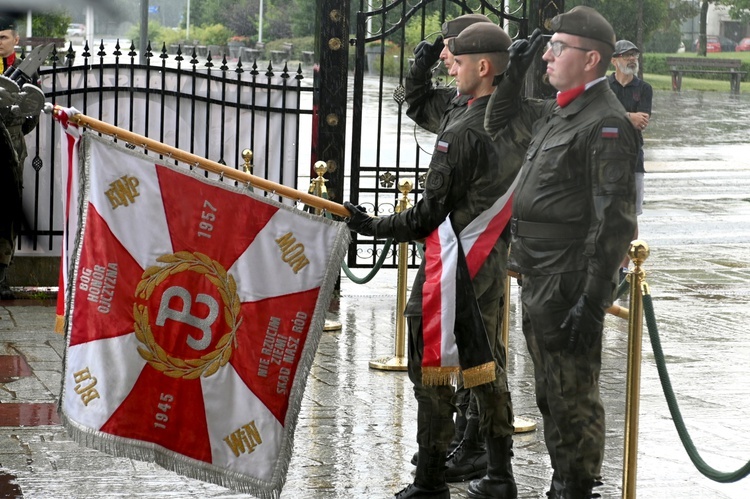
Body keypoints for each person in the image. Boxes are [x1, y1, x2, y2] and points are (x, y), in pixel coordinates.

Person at [346, 22, 526, 499]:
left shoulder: (465, 129)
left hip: (453, 264)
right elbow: (428, 101)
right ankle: (500, 475)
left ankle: (429, 479)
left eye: (459, 60)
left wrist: (371, 226)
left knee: (433, 370)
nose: (452, 64)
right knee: (484, 366)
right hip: (486, 260)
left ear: (483, 68)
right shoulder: (509, 116)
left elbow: (428, 215)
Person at [484, 6, 638, 498]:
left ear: (591, 58)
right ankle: (563, 481)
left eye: (558, 48)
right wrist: (515, 73)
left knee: (573, 396)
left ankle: (575, 488)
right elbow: (498, 121)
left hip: (569, 278)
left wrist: (591, 303)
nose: (548, 54)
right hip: (540, 274)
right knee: (551, 393)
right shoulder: (562, 109)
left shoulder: (607, 123)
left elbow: (614, 222)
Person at [404, 13, 495, 483]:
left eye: (448, 50)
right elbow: (417, 104)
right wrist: (417, 69)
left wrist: (377, 225)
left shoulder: (495, 108)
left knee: (478, 350)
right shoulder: (457, 102)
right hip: (452, 246)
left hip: (476, 248)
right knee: (459, 347)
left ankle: (475, 446)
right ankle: (460, 442)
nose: (443, 57)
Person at [0, 15, 39, 300]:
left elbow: (33, 113)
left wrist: (15, 124)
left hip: (12, 145)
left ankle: (2, 274)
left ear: (15, 39)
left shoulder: (27, 71)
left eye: (3, 37)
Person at [608, 39, 652, 281]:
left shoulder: (644, 89)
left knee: (630, 214)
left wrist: (616, 119)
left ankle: (626, 267)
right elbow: (599, 121)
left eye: (635, 54)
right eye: (626, 55)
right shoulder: (604, 87)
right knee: (603, 211)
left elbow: (642, 122)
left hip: (633, 159)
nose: (632, 58)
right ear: (614, 60)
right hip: (605, 159)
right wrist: (628, 117)